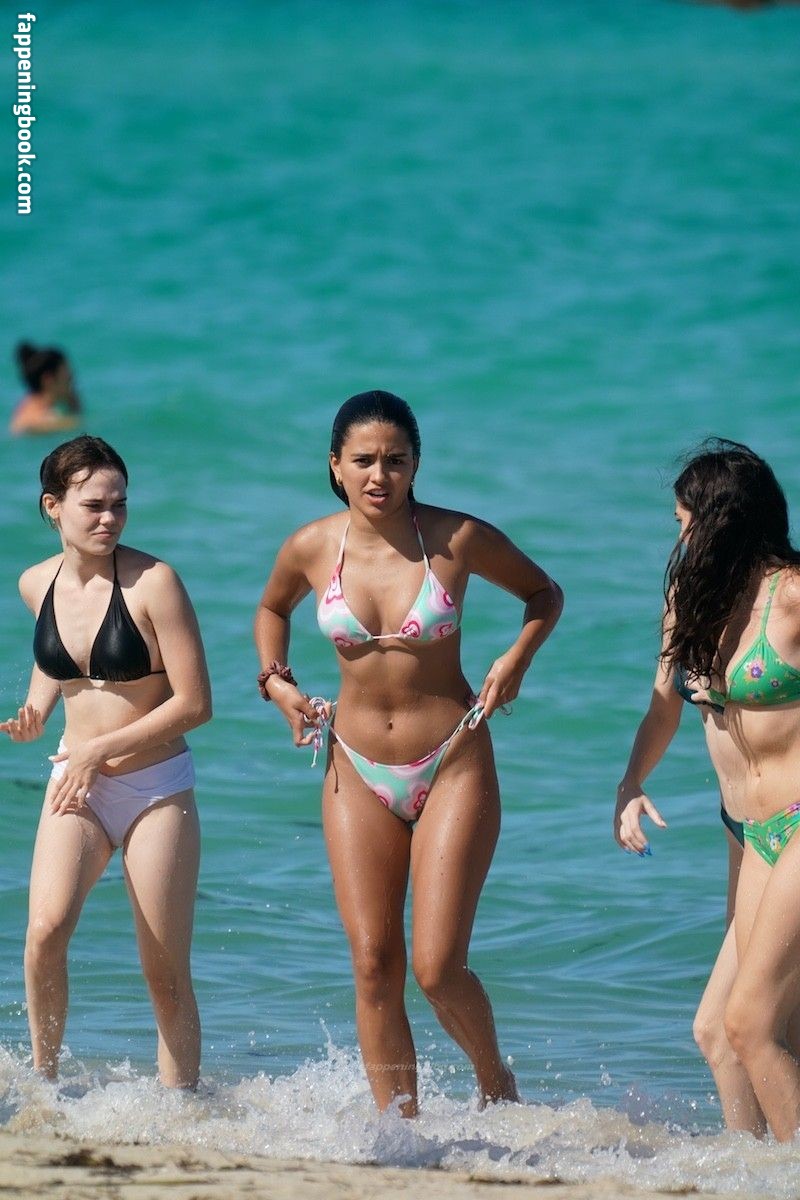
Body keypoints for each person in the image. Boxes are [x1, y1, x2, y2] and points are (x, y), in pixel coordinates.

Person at [254, 390, 563, 1116]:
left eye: (396, 460)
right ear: (335, 465)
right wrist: (277, 683)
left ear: (416, 464)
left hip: (452, 757)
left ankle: (497, 1085)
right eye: (363, 460)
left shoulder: (459, 539)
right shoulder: (310, 547)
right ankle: (402, 1136)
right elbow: (271, 609)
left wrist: (517, 659)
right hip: (354, 765)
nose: (379, 475)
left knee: (437, 967)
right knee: (372, 964)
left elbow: (544, 594)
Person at [0, 435, 211, 1087]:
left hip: (155, 789)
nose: (110, 518)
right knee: (44, 933)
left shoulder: (154, 583)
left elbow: (196, 703)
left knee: (163, 973)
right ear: (53, 507)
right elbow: (59, 658)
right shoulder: (35, 583)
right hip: (78, 781)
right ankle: (44, 1086)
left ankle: (181, 1111)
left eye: (119, 504)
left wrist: (98, 749)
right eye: (94, 506)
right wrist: (37, 709)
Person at [614, 438, 800, 1141]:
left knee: (751, 1023)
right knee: (721, 1033)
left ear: (722, 522)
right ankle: (753, 1173)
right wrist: (631, 782)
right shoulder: (691, 601)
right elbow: (664, 708)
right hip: (747, 832)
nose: (681, 540)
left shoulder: (793, 597)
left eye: (686, 523)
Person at [10, 341, 82, 436]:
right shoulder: (37, 420)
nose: (72, 379)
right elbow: (77, 424)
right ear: (48, 379)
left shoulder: (29, 405)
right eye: (67, 375)